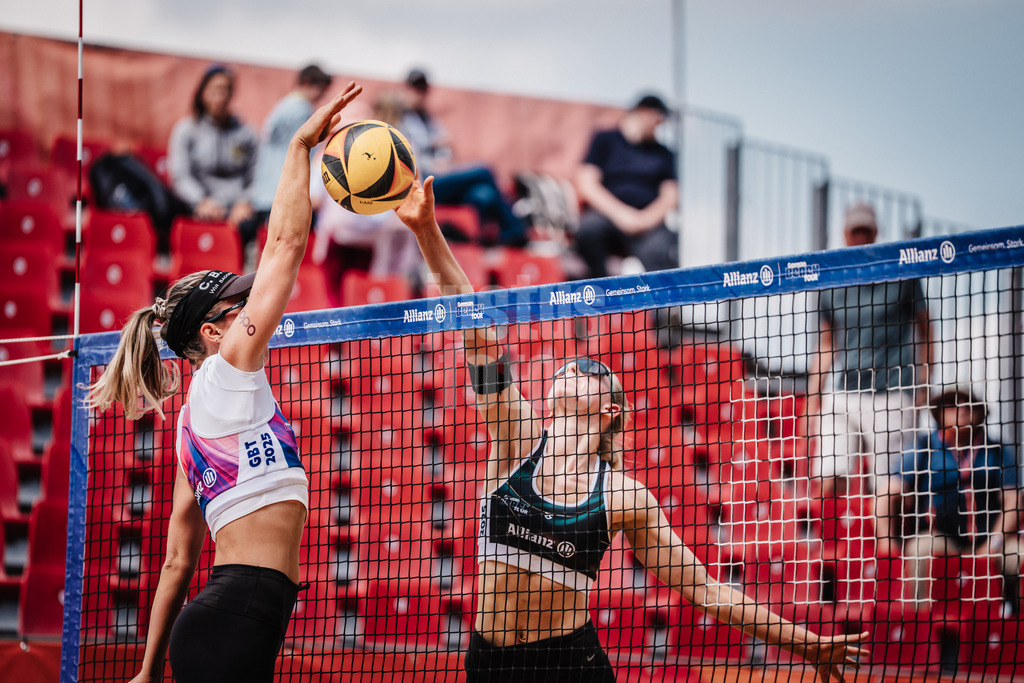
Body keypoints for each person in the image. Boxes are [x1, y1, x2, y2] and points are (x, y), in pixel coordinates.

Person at [395, 176, 868, 682]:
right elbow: (476, 333)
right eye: (566, 369)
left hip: (568, 665)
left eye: (591, 370)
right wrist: (426, 229)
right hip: (488, 663)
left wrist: (808, 646)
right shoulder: (516, 439)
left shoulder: (625, 496)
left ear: (610, 412)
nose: (572, 368)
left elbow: (707, 591)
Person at [87, 83, 363, 683]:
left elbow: (178, 562)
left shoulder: (195, 418)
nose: (250, 310)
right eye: (236, 306)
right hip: (236, 615)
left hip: (232, 619)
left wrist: (146, 672)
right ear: (213, 333)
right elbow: (286, 244)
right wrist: (297, 147)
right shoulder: (224, 373)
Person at [806, 203, 933, 512]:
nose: (861, 236)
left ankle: (886, 554)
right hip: (845, 391)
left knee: (887, 490)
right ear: (845, 233)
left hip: (892, 392)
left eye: (866, 230)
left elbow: (926, 331)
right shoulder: (831, 279)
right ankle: (831, 551)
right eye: (855, 230)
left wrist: (923, 386)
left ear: (876, 233)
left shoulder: (903, 272)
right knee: (829, 476)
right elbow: (826, 343)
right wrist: (812, 399)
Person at [884, 386, 1021, 612]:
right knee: (919, 550)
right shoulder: (922, 448)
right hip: (941, 538)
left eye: (968, 405)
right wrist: (886, 539)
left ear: (979, 414)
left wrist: (993, 544)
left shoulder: (997, 450)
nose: (962, 410)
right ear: (939, 414)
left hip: (991, 541)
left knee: (1020, 556)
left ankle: (1013, 631)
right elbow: (887, 494)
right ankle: (919, 630)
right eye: (952, 405)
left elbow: (1014, 502)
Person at [400, 68, 527, 247]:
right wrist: (435, 146)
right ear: (406, 88)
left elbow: (447, 149)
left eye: (422, 89)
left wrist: (442, 155)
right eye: (415, 88)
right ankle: (515, 231)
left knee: (484, 195)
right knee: (484, 170)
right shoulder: (399, 117)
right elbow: (410, 152)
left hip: (440, 177)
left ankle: (484, 246)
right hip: (421, 182)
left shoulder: (428, 119)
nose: (419, 94)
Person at [574, 94, 679, 279]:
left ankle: (664, 307)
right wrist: (622, 215)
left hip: (648, 222)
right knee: (588, 231)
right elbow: (587, 183)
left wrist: (644, 220)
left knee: (662, 249)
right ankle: (602, 294)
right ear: (645, 114)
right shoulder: (605, 139)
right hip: (608, 215)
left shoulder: (663, 153)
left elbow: (670, 195)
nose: (659, 127)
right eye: (658, 121)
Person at [168, 64, 261, 261]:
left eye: (225, 89)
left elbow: (257, 176)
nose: (220, 95)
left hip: (236, 210)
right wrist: (201, 201)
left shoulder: (246, 133)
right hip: (198, 206)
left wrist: (244, 202)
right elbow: (180, 175)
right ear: (203, 93)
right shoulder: (186, 130)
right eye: (215, 89)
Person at [252, 64, 333, 225]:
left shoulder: (284, 106)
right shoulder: (301, 109)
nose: (322, 95)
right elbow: (301, 151)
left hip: (266, 193)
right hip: (283, 194)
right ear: (307, 82)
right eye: (321, 88)